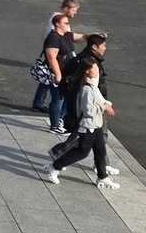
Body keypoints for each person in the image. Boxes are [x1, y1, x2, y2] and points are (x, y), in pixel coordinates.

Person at [46, 60, 118, 189]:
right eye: (94, 69)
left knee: (100, 151)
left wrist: (105, 105)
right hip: (88, 125)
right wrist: (103, 107)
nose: (97, 72)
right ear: (87, 71)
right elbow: (88, 110)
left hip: (96, 124)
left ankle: (103, 177)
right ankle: (54, 166)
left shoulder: (91, 85)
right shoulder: (86, 89)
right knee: (82, 152)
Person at [33, 0, 80, 131]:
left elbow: (78, 37)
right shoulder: (54, 36)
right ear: (58, 24)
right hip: (57, 69)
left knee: (57, 92)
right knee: (58, 98)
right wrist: (58, 73)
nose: (68, 24)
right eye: (66, 23)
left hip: (64, 69)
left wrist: (92, 36)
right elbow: (51, 56)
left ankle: (48, 111)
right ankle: (55, 124)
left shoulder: (64, 34)